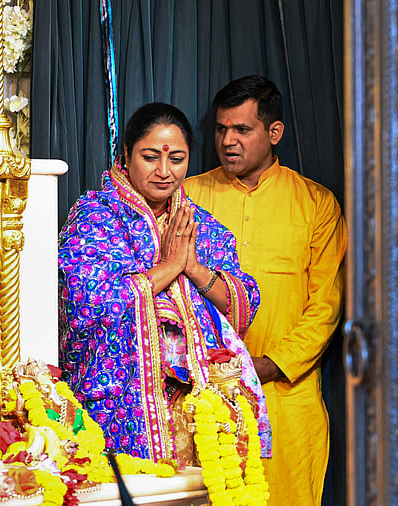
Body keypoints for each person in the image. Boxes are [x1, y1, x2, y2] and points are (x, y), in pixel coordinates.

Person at [58, 102, 270, 464]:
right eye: (150, 157)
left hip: (194, 411)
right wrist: (170, 266)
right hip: (119, 401)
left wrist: (195, 269)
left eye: (177, 159)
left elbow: (243, 302)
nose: (164, 172)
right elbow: (88, 303)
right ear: (125, 155)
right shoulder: (94, 216)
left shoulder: (198, 223)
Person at [184, 75, 346, 505]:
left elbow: (325, 308)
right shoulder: (187, 196)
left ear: (274, 132)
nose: (228, 141)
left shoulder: (316, 204)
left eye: (242, 129)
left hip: (287, 402)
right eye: (221, 129)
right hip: (202, 397)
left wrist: (270, 365)